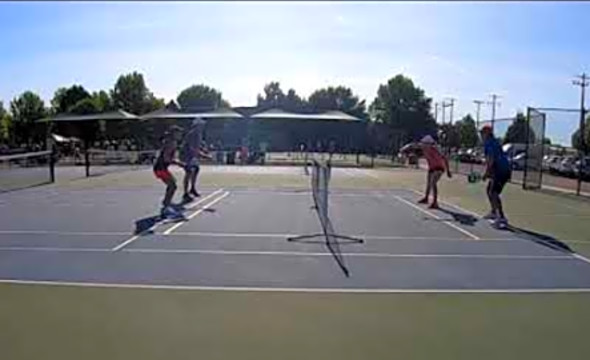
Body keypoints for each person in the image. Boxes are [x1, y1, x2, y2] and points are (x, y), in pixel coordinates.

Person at [480, 124, 511, 228]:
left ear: (487, 133)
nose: (481, 135)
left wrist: (486, 173)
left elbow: (491, 160)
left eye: (482, 133)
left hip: (501, 170)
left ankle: (501, 217)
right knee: (489, 189)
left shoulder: (489, 143)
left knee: (493, 193)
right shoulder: (493, 142)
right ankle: (494, 212)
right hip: (500, 170)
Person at [412, 135, 452, 209]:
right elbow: (414, 147)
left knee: (433, 183)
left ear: (429, 144)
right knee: (428, 183)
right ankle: (426, 198)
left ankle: (435, 203)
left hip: (439, 167)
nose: (423, 144)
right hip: (432, 168)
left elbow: (445, 159)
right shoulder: (424, 150)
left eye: (425, 143)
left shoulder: (436, 150)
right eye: (423, 143)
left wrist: (448, 171)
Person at [153, 127, 185, 219]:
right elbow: (166, 158)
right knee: (172, 186)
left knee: (172, 184)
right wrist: (179, 163)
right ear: (174, 134)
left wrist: (177, 162)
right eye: (179, 133)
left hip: (160, 167)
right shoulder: (171, 143)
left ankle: (166, 204)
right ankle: (165, 207)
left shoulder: (169, 141)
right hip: (161, 168)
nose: (180, 135)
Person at [179, 118, 210, 203]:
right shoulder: (193, 134)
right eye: (201, 125)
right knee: (188, 172)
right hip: (186, 155)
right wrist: (203, 155)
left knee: (196, 169)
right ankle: (185, 193)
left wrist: (203, 149)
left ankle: (192, 188)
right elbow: (192, 148)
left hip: (191, 155)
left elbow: (198, 146)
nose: (202, 127)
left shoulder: (198, 134)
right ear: (197, 126)